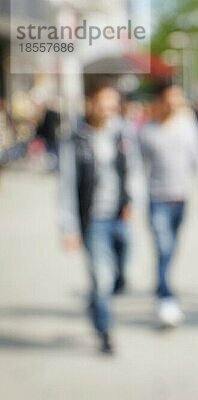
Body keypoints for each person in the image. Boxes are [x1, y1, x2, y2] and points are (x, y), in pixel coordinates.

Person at [59, 82, 135, 354]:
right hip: (92, 220)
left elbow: (133, 169)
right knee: (102, 278)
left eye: (113, 103)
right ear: (91, 103)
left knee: (123, 273)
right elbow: (67, 186)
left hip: (119, 216)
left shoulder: (122, 133)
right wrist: (68, 227)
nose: (108, 109)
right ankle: (104, 330)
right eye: (103, 102)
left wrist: (132, 200)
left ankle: (96, 300)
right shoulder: (75, 138)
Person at [140, 83, 198, 328]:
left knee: (171, 248)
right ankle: (166, 298)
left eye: (178, 98)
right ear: (160, 101)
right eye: (170, 98)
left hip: (180, 199)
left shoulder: (188, 128)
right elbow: (136, 167)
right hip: (157, 199)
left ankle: (162, 284)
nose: (174, 103)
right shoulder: (147, 131)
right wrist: (132, 196)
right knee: (163, 248)